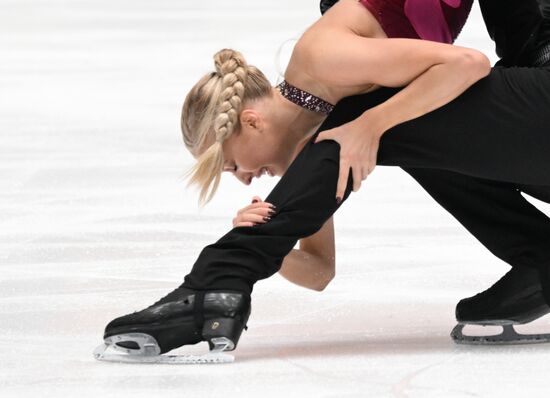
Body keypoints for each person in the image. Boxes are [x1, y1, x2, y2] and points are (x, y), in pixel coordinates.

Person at [95, 1, 550, 363]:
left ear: (250, 122)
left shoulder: (322, 57)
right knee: (395, 118)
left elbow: (467, 63)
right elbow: (319, 271)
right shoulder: (328, 119)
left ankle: (218, 282)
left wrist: (371, 125)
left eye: (233, 165)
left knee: (381, 120)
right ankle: (540, 256)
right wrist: (269, 234)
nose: (246, 178)